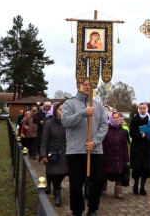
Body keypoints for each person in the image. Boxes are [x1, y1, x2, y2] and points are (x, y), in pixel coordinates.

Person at [61, 78, 108, 216]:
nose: (88, 87)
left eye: (90, 85)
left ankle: (93, 208)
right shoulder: (70, 104)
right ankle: (77, 210)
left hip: (95, 150)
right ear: (78, 86)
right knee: (76, 183)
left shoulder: (98, 105)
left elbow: (104, 125)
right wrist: (83, 113)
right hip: (76, 150)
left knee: (98, 179)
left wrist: (95, 141)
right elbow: (65, 122)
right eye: (85, 85)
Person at [40, 102, 68, 207]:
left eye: (64, 110)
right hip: (54, 153)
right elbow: (44, 139)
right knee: (55, 174)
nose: (62, 111)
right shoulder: (49, 123)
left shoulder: (68, 123)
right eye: (60, 109)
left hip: (66, 153)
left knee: (63, 173)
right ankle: (57, 193)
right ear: (55, 111)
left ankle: (57, 190)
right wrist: (43, 154)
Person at [102, 111, 130, 199]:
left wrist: (126, 158)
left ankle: (118, 193)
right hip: (108, 156)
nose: (116, 119)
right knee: (105, 174)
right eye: (114, 118)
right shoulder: (106, 129)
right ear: (110, 119)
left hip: (119, 157)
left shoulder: (122, 130)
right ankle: (102, 190)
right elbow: (102, 143)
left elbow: (125, 144)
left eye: (117, 117)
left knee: (119, 174)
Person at [129, 102, 150, 195]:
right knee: (137, 168)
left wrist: (147, 135)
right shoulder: (134, 119)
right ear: (138, 109)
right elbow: (131, 133)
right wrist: (139, 135)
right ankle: (135, 185)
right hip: (137, 147)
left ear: (146, 109)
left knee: (146, 168)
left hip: (147, 147)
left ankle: (143, 187)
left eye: (144, 108)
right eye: (141, 108)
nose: (142, 110)